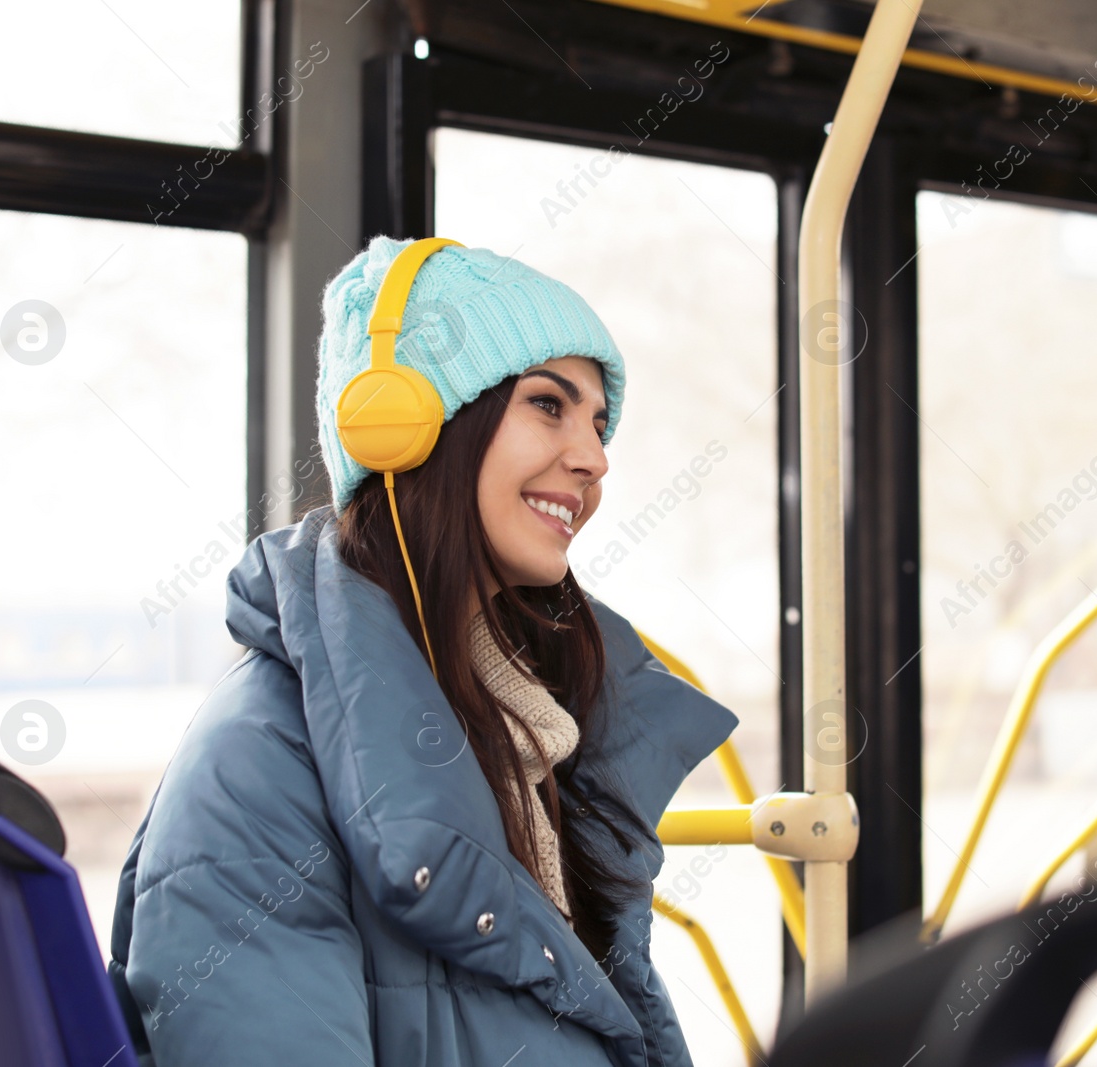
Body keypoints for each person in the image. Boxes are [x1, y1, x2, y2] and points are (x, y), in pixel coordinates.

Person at [106, 234, 739, 1066]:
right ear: (402, 428)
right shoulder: (253, 770)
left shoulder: (527, 726)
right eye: (549, 404)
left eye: (597, 421)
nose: (594, 457)